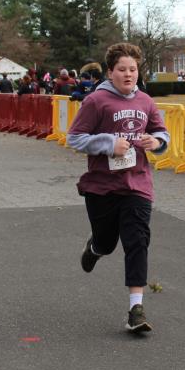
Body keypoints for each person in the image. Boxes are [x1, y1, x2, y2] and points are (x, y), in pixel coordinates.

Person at [67, 42, 170, 333]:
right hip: (102, 186)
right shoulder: (96, 101)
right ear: (110, 72)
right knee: (107, 242)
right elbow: (75, 138)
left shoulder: (146, 101)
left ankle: (136, 309)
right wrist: (109, 144)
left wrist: (157, 141)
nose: (128, 74)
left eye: (133, 69)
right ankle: (95, 247)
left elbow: (161, 132)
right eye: (122, 69)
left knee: (137, 240)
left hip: (137, 183)